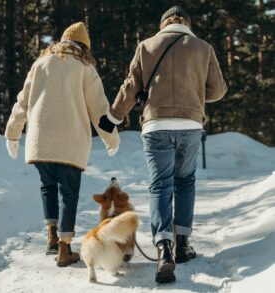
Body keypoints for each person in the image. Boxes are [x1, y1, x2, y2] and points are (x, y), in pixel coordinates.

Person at [98, 6, 227, 283]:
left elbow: (131, 86)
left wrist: (113, 117)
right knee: (185, 182)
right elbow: (217, 91)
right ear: (188, 25)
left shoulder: (146, 46)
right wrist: (194, 93)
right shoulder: (203, 47)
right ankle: (182, 244)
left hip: (155, 125)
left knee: (160, 184)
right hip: (191, 124)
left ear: (162, 24)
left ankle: (163, 247)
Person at [5, 22, 119, 267]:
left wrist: (12, 133)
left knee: (48, 187)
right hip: (70, 142)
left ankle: (51, 236)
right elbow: (100, 109)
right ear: (83, 47)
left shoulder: (40, 64)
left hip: (40, 141)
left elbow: (22, 102)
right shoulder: (85, 67)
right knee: (69, 194)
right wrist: (112, 138)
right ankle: (65, 248)